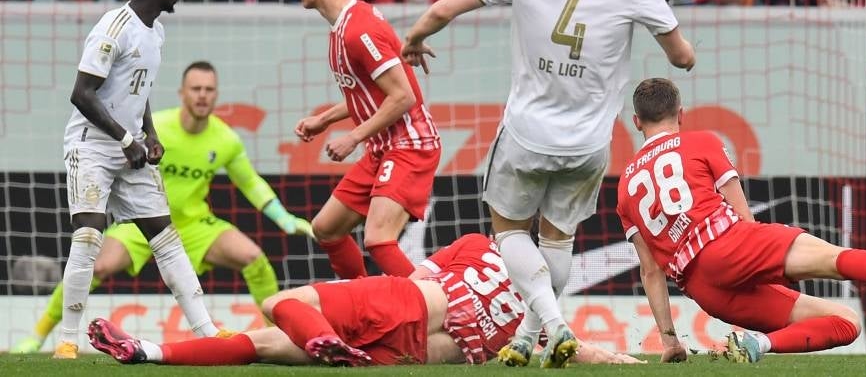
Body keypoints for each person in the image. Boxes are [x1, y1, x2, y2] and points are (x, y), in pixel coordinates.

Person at [401, 0, 696, 368]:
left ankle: (553, 326)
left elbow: (444, 8)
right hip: (588, 143)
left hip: (526, 134)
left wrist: (414, 38)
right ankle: (526, 338)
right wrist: (687, 57)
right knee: (558, 239)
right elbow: (681, 54)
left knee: (510, 235)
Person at [618, 77, 866, 364]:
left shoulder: (624, 188)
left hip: (704, 289)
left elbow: (651, 272)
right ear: (681, 113)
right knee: (834, 259)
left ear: (637, 122)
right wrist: (761, 258)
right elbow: (741, 212)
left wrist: (669, 340)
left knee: (846, 322)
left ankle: (758, 344)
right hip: (731, 245)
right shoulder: (700, 141)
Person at [14, 60, 312, 353]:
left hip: (195, 225)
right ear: (182, 92)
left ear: (216, 95)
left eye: (209, 89)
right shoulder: (158, 128)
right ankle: (37, 337)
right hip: (142, 222)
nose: (202, 95)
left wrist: (282, 217)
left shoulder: (225, 139)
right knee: (98, 264)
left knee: (254, 257)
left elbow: (250, 182)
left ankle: (274, 336)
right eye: (196, 88)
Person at [88, 233, 641, 366]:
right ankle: (147, 353)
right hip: (424, 354)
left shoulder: (479, 245)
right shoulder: (542, 313)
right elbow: (583, 352)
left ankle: (324, 336)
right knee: (259, 346)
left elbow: (413, 275)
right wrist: (635, 361)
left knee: (277, 305)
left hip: (413, 302)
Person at [53, 0, 223, 359]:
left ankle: (208, 331)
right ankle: (66, 340)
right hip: (91, 144)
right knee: (90, 234)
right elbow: (81, 93)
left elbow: (138, 91)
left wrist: (149, 133)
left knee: (164, 237)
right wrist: (126, 140)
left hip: (129, 143)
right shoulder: (114, 28)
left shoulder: (156, 32)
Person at [292, 0, 441, 281]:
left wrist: (352, 137)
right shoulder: (345, 25)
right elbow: (370, 93)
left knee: (378, 239)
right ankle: (359, 305)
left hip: (410, 145)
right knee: (326, 228)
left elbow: (402, 97)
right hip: (381, 148)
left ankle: (439, 313)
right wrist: (323, 120)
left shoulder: (358, 30)